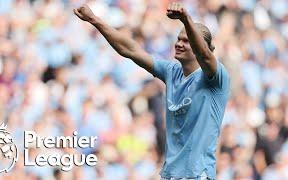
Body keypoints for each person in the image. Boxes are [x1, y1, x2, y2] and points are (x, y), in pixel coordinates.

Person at [74, 2, 230, 180]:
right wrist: (95, 20)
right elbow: (130, 49)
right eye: (178, 39)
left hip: (198, 174)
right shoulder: (172, 72)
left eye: (186, 40)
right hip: (171, 174)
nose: (178, 43)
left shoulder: (215, 78)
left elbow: (205, 56)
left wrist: (187, 20)